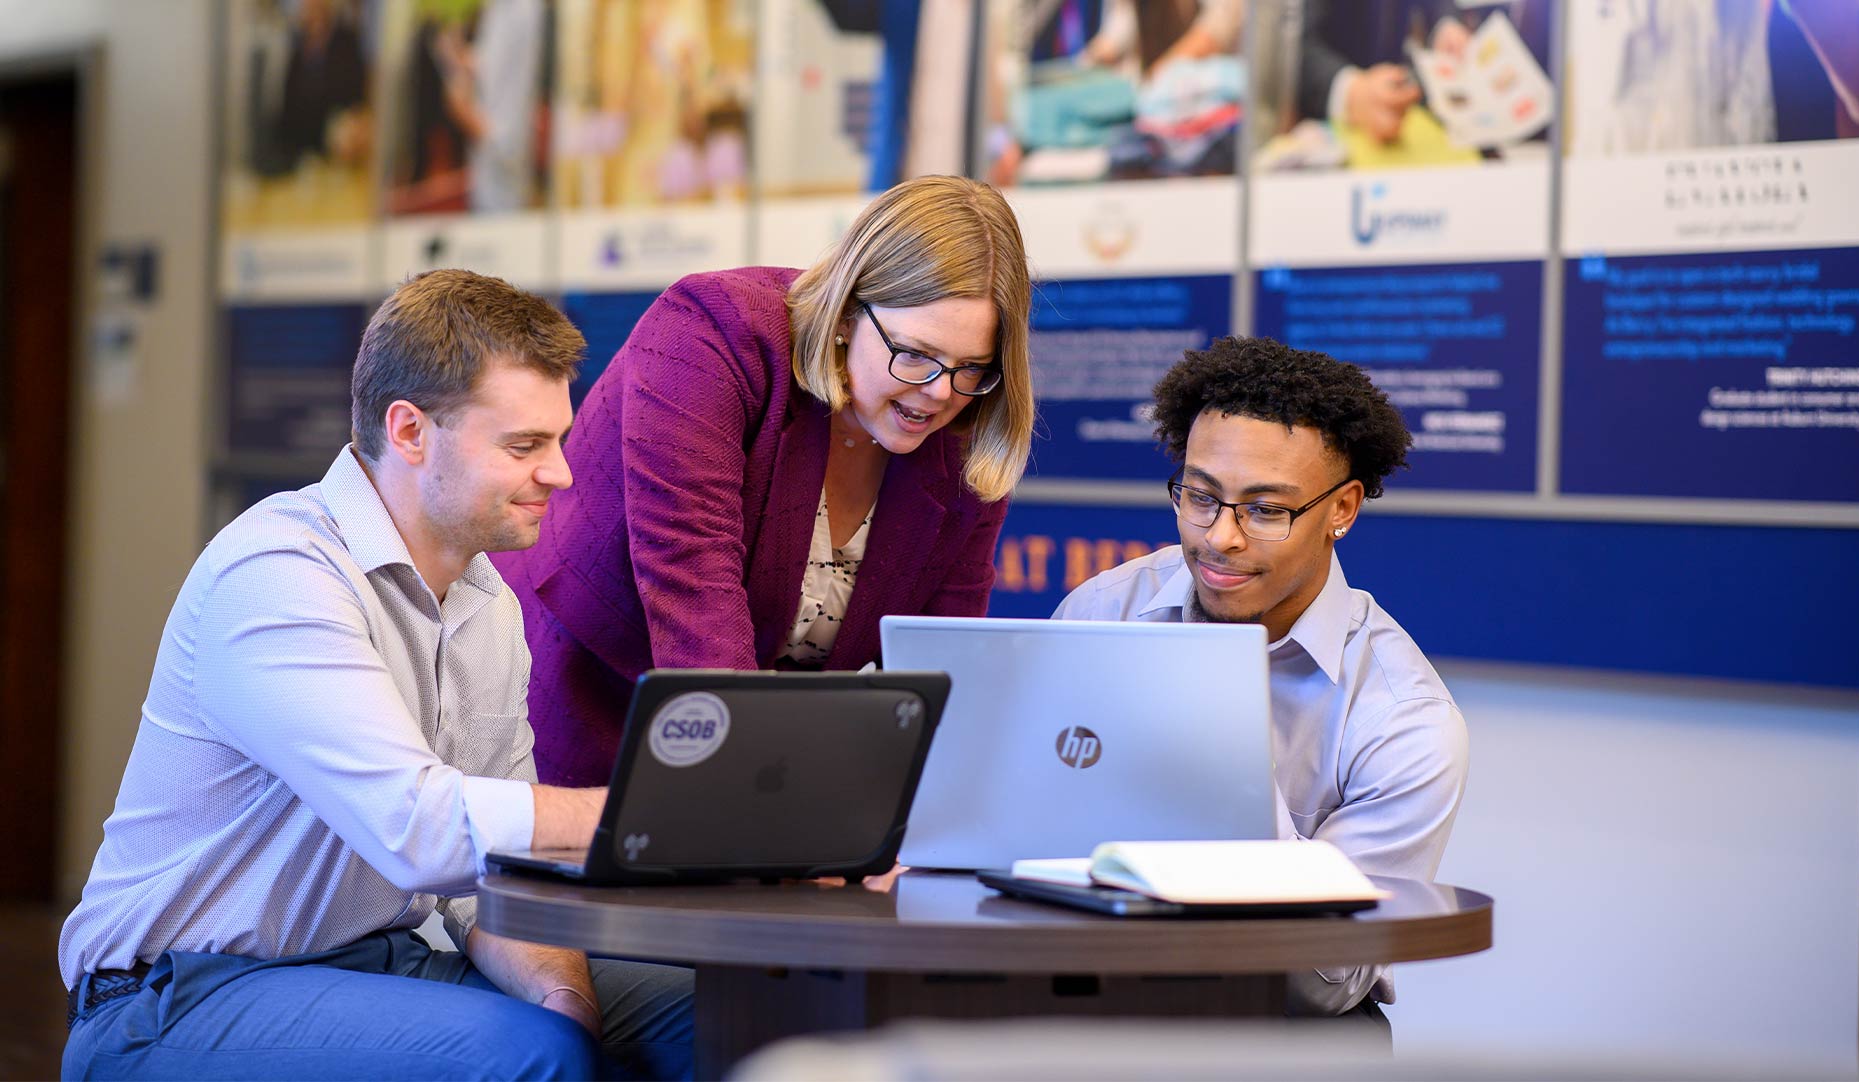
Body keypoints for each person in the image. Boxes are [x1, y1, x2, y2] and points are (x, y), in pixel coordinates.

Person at [59, 271, 692, 1080]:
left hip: (376, 963)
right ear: (409, 431)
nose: (561, 474)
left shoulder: (486, 599)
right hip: (171, 1000)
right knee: (527, 1056)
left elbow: (493, 879)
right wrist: (662, 810)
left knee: (708, 1018)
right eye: (524, 446)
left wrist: (566, 998)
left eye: (558, 441)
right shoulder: (279, 571)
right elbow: (422, 832)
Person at [495, 174, 1035, 786]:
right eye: (914, 354)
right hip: (589, 694)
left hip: (779, 753)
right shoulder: (710, 333)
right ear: (846, 314)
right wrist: (762, 814)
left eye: (971, 368)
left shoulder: (969, 431)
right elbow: (694, 590)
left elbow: (943, 661)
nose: (940, 392)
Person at [1053, 336, 1468, 1028]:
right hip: (1083, 992)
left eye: (1266, 511)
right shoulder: (1107, 610)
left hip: (1269, 1033)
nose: (1220, 538)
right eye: (1200, 496)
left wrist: (1224, 755)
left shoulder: (1405, 723)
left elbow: (1327, 980)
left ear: (1343, 509)